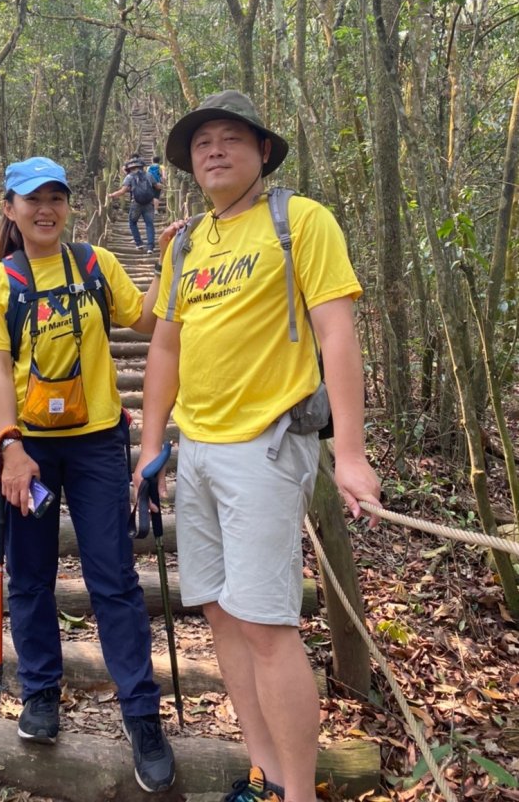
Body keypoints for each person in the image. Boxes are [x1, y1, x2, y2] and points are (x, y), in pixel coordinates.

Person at [135, 92, 382, 802]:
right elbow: (165, 345)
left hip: (266, 446)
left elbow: (336, 332)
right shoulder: (187, 243)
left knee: (267, 625)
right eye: (201, 142)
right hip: (199, 449)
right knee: (218, 612)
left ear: (262, 152)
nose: (213, 149)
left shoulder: (299, 221)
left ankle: (298, 794)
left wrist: (352, 454)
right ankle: (263, 777)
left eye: (230, 139)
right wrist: (152, 445)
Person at [0, 156, 179, 793]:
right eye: (32, 199)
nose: (45, 209)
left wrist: (169, 266)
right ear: (10, 208)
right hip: (27, 447)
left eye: (55, 197)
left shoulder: (94, 264)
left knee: (112, 578)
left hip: (94, 446)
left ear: (68, 204)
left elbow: (144, 322)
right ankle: (40, 695)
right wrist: (8, 446)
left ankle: (142, 716)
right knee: (30, 575)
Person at [108, 157, 161, 253]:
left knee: (132, 223)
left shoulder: (130, 177)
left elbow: (122, 191)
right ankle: (150, 247)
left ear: (130, 168)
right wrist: (162, 185)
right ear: (141, 167)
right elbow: (157, 186)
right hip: (149, 203)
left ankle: (139, 243)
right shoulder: (149, 175)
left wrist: (111, 195)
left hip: (136, 203)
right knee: (149, 224)